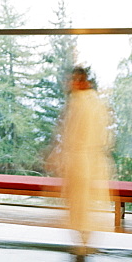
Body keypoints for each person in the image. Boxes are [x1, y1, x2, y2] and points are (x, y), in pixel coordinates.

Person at [51, 65, 115, 250]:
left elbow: (72, 132)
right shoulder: (95, 101)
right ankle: (83, 238)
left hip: (81, 159)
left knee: (79, 202)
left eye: (72, 80)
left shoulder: (81, 102)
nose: (69, 84)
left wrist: (61, 155)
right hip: (89, 158)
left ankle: (82, 240)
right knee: (81, 202)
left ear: (80, 81)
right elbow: (104, 136)